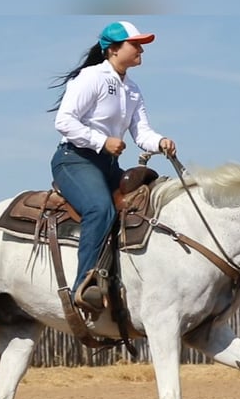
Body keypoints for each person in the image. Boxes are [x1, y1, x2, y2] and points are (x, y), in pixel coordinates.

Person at [49, 20, 176, 312]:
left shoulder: (132, 89)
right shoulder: (90, 77)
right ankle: (86, 285)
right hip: (75, 161)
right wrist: (101, 141)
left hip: (107, 166)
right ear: (114, 49)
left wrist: (161, 142)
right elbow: (64, 121)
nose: (141, 48)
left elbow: (142, 132)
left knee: (148, 204)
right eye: (136, 44)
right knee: (100, 208)